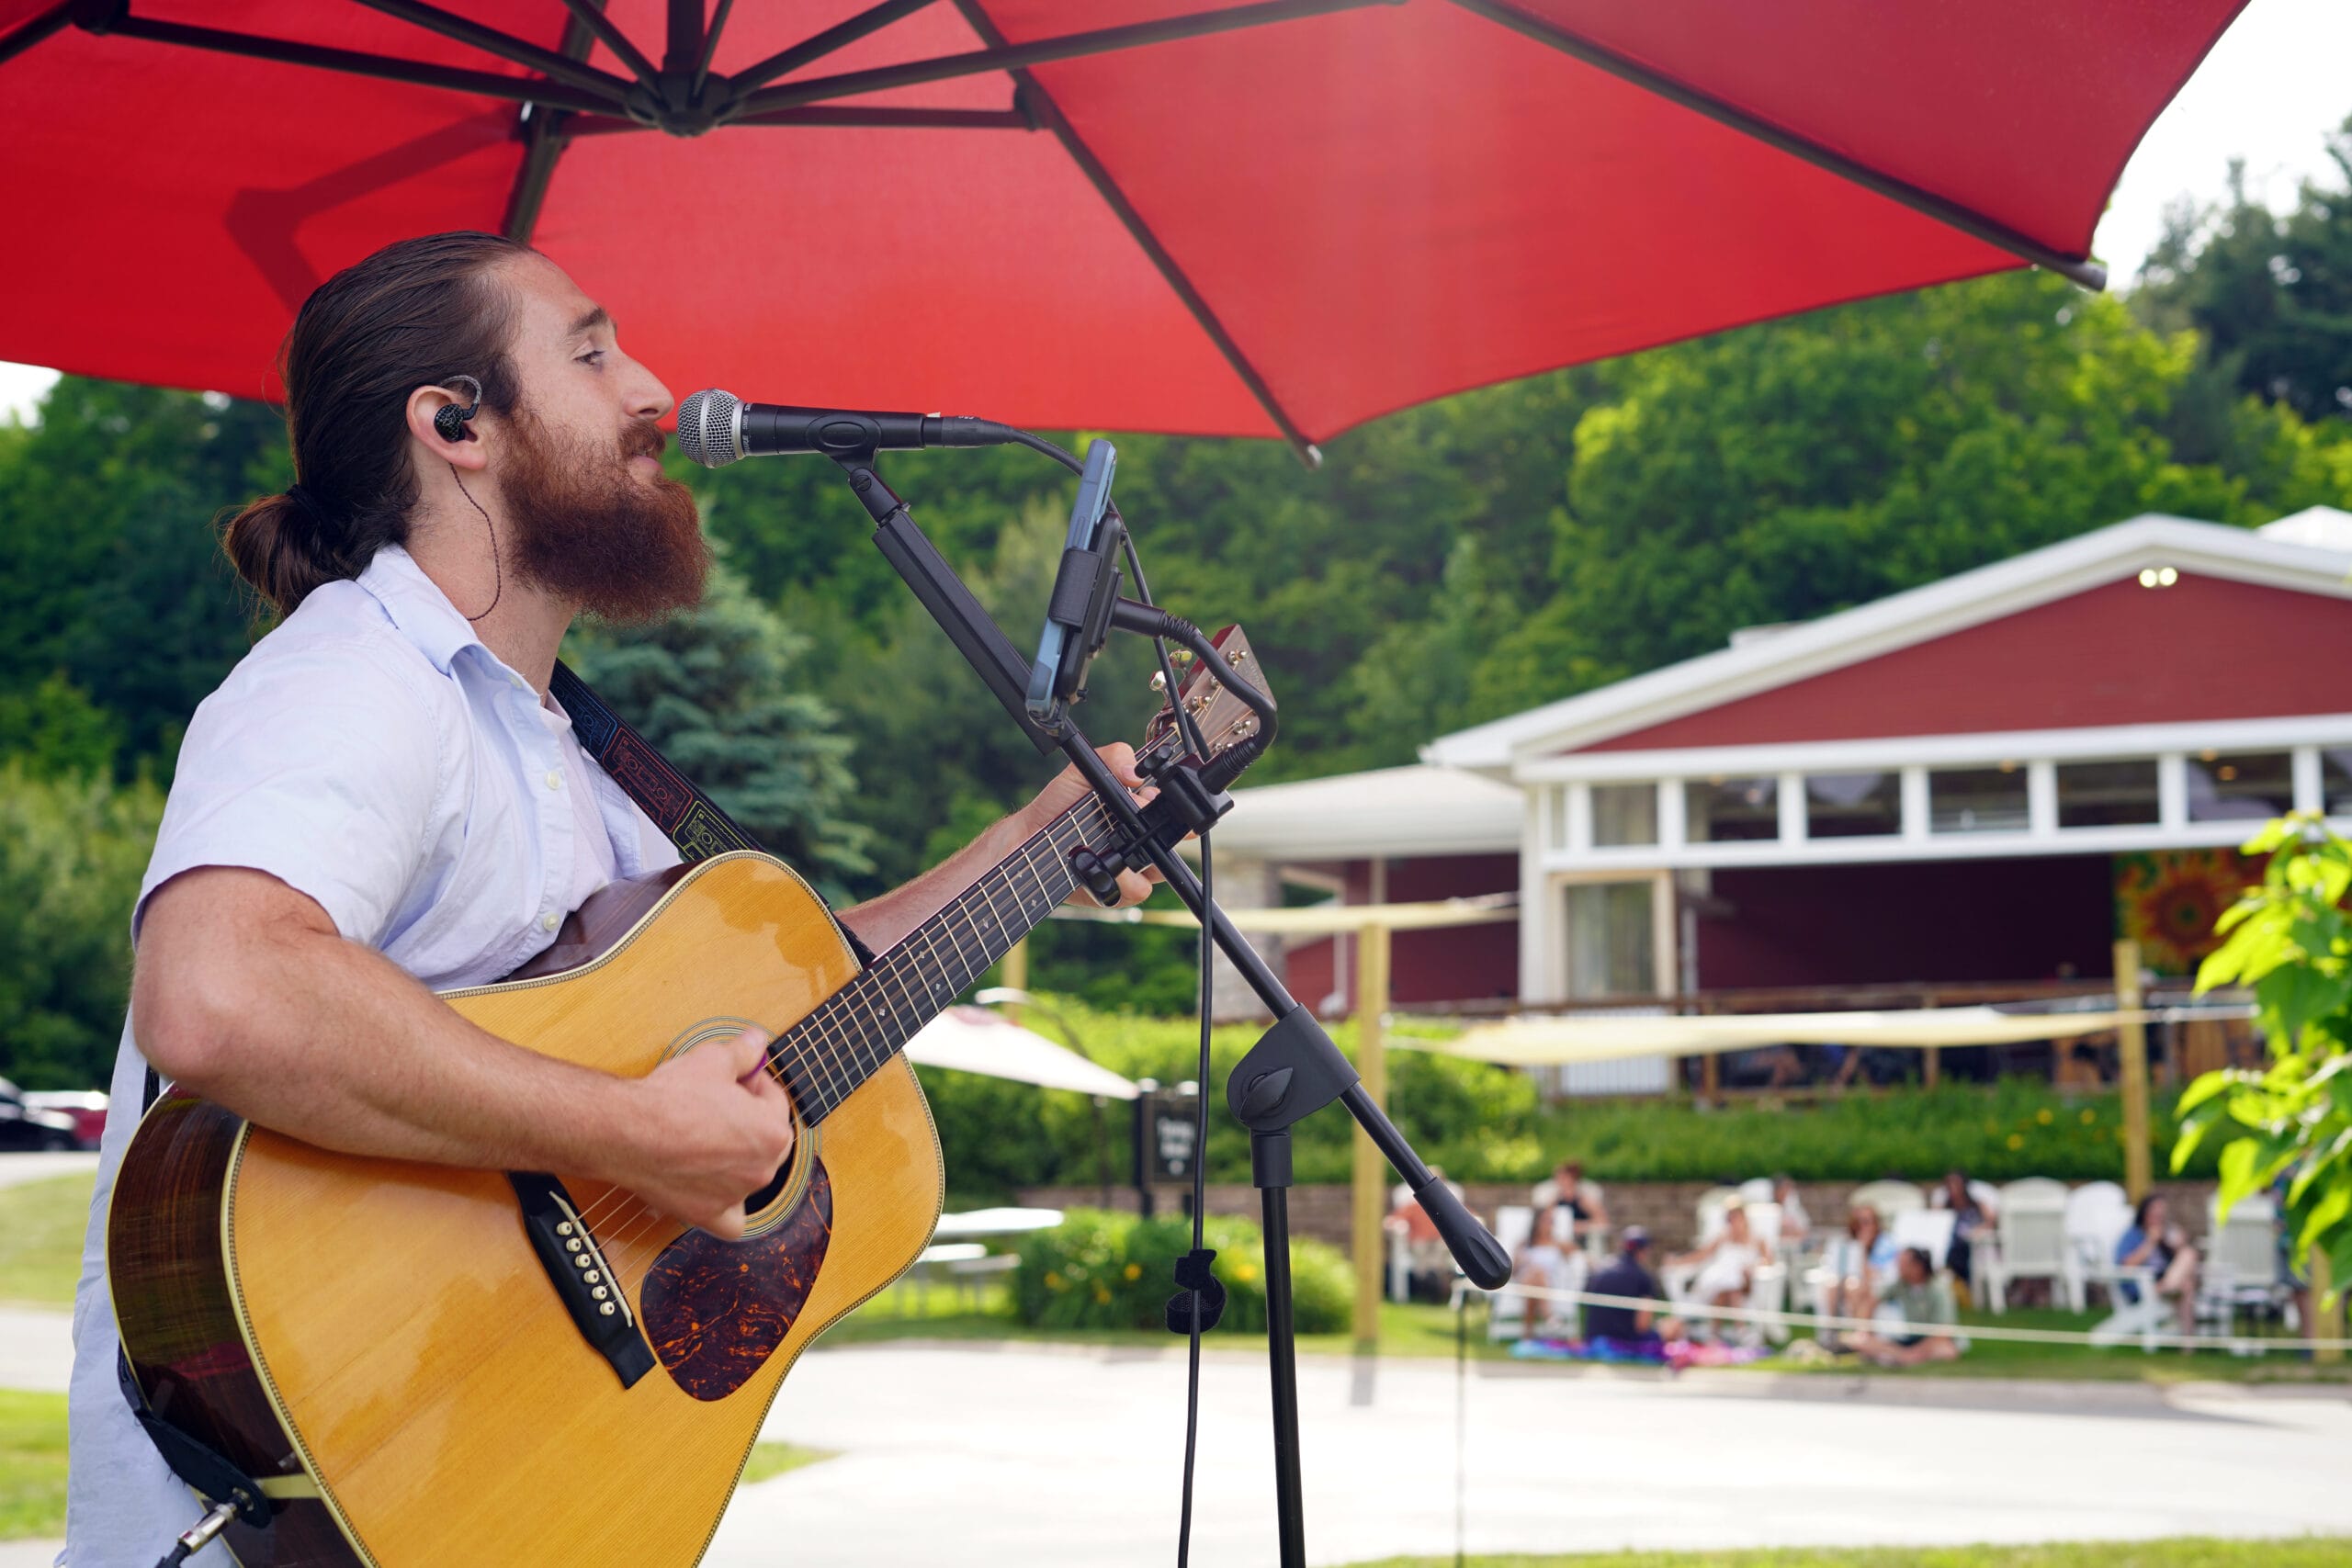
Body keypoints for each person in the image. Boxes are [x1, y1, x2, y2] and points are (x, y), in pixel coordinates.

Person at [63, 231, 1165, 1564]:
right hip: (275, 1506)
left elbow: (796, 1003)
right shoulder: (355, 680)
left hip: (484, 1473)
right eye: (591, 351)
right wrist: (630, 1130)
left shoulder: (564, 748)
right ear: (454, 424)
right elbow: (218, 987)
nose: (652, 389)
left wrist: (1036, 841)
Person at [1670, 1197, 1773, 1337]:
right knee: (1727, 1291)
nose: (1732, 1222)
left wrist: (1753, 1267)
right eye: (1729, 1219)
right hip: (1722, 1280)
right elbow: (1702, 1254)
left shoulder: (1757, 1238)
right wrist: (1678, 1262)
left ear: (1743, 1217)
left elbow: (1768, 1260)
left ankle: (1718, 1333)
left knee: (1732, 1286)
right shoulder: (1723, 1236)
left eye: (1735, 1218)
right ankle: (1737, 1332)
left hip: (1747, 1282)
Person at [1850, 1246, 1962, 1367]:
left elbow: (1943, 1332)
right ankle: (1901, 1357)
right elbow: (1871, 1302)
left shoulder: (1939, 1290)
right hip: (1910, 1339)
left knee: (1947, 1351)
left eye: (1903, 1264)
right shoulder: (1900, 1284)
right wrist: (1864, 1330)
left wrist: (1914, 1352)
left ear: (1918, 1266)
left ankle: (1897, 1356)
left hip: (1933, 1341)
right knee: (1860, 1341)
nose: (1898, 1268)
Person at [2116, 1192, 2202, 1344]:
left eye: (2161, 1213)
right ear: (2144, 1213)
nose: (2158, 1217)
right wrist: (2150, 1242)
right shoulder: (2132, 1235)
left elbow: (2175, 1262)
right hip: (2145, 1287)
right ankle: (2188, 1343)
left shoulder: (2167, 1232)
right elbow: (2126, 1266)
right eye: (2154, 1212)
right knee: (2188, 1265)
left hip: (2166, 1280)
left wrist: (2177, 1245)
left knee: (2187, 1276)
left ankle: (2188, 1344)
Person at [1583, 1227, 1679, 1354]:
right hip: (1626, 1341)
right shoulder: (1644, 1278)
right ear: (1644, 1251)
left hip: (1593, 1339)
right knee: (1674, 1326)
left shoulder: (1600, 1270)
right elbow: (1642, 1326)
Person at [1819, 1201, 1898, 1337]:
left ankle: (1859, 1335)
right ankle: (1832, 1334)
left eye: (1867, 1221)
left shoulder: (1885, 1244)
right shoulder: (1847, 1242)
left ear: (1876, 1223)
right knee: (1832, 1284)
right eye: (1858, 1222)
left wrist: (1862, 1249)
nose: (1863, 1226)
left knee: (1852, 1286)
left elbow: (1873, 1275)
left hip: (1878, 1284)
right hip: (1850, 1281)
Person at [1928, 1168, 1995, 1298]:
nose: (1953, 1188)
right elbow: (1934, 1222)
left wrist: (1977, 1230)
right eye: (1950, 1184)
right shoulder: (1945, 1205)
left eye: (1956, 1184)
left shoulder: (1977, 1203)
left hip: (1974, 1244)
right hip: (1952, 1246)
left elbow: (1991, 1221)